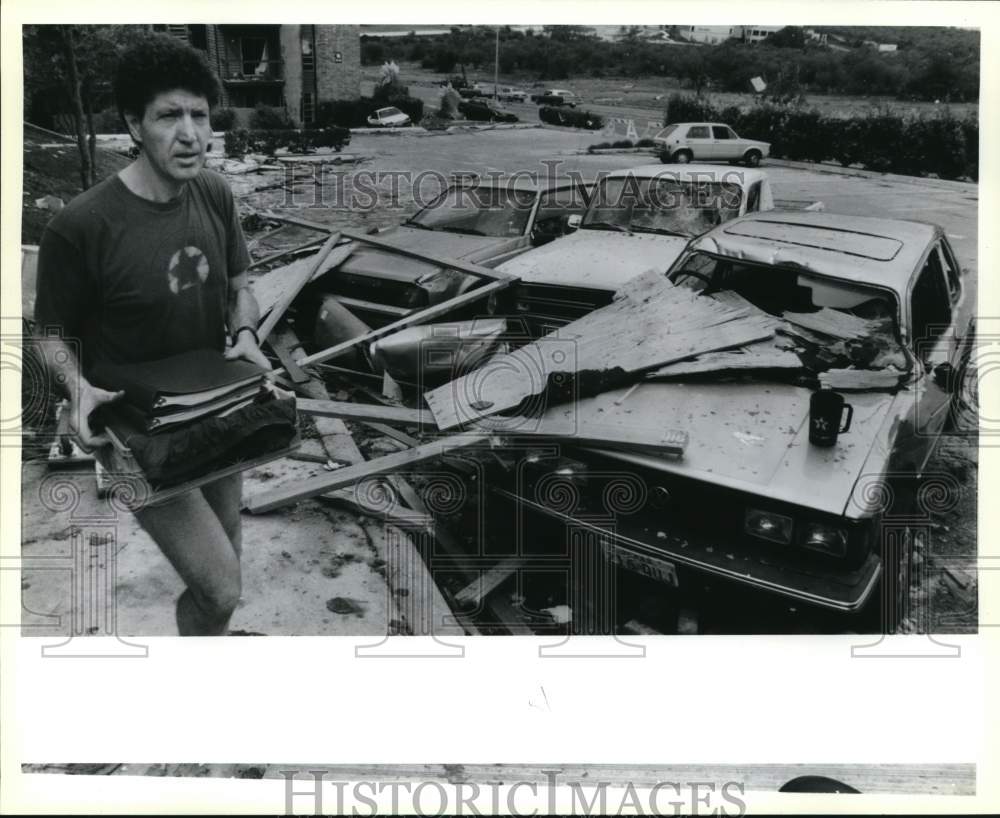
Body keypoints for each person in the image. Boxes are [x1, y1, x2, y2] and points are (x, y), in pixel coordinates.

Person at [33, 33, 271, 635]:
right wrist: (77, 390)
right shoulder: (80, 226)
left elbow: (240, 282)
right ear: (134, 125)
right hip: (135, 435)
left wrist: (245, 331)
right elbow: (49, 334)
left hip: (212, 406)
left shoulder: (213, 192)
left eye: (200, 115)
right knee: (220, 588)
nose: (190, 134)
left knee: (227, 553)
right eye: (169, 116)